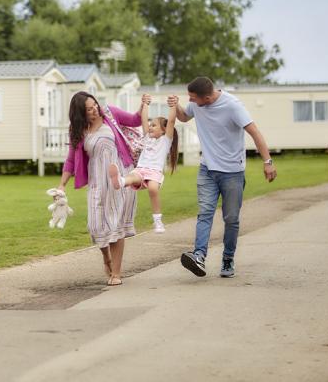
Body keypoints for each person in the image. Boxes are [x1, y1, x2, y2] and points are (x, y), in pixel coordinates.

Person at [171, 76, 277, 278]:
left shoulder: (233, 106)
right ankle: (199, 256)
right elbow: (184, 117)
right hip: (207, 170)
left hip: (232, 173)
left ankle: (228, 258)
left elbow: (255, 132)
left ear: (208, 98)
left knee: (231, 219)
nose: (190, 101)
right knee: (205, 212)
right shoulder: (197, 104)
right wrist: (176, 107)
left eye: (193, 98)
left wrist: (268, 162)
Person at [57, 91, 142, 286]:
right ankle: (107, 258)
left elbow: (135, 120)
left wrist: (143, 106)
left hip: (119, 178)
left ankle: (116, 273)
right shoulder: (78, 130)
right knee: (95, 226)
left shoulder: (110, 114)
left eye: (95, 105)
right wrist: (62, 184)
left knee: (115, 225)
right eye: (89, 109)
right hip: (97, 181)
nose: (95, 110)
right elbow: (70, 160)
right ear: (81, 113)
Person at [109, 94, 180, 233]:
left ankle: (157, 221)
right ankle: (121, 181)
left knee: (153, 188)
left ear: (163, 130)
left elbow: (171, 121)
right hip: (141, 169)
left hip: (154, 172)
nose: (150, 127)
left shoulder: (166, 140)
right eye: (150, 125)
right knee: (133, 177)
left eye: (154, 125)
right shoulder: (147, 137)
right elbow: (143, 119)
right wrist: (145, 103)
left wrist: (173, 106)